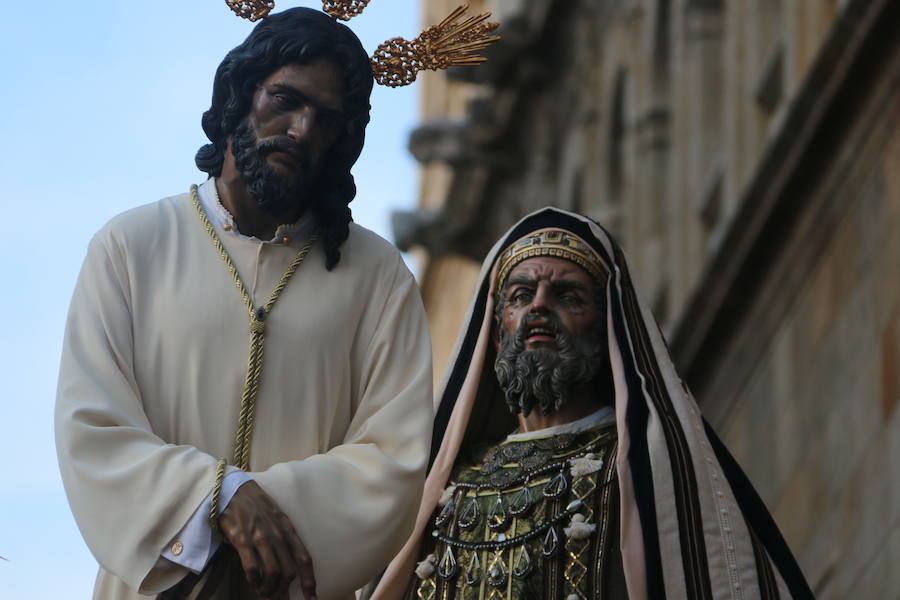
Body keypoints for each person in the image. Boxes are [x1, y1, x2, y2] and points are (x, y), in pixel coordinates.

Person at [55, 8, 433, 600]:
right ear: (240, 93)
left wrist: (267, 515)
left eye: (326, 119)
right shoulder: (132, 246)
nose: (302, 128)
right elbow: (93, 427)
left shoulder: (377, 276)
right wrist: (217, 497)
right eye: (285, 99)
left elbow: (396, 459)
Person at [371, 208, 813, 599]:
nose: (539, 308)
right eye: (521, 296)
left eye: (567, 297)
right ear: (498, 328)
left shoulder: (640, 469)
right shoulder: (447, 490)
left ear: (605, 329)